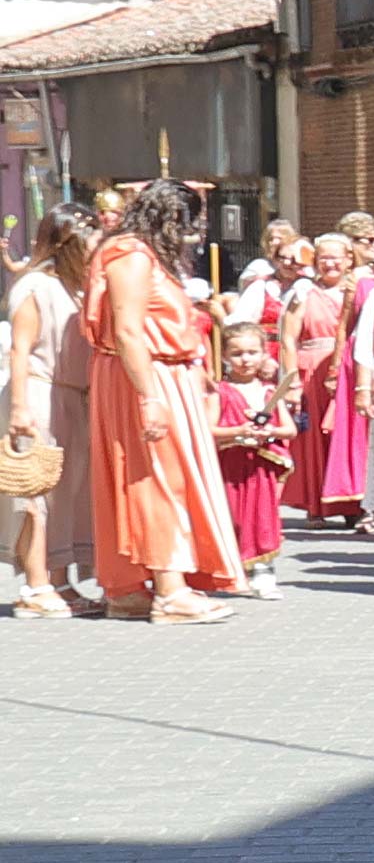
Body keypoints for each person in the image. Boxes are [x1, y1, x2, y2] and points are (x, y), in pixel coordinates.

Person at [83, 182, 244, 621]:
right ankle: (171, 589)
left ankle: (130, 587)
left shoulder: (137, 253)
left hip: (153, 372)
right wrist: (150, 397)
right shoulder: (132, 257)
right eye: (192, 220)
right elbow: (128, 330)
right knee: (157, 475)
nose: (196, 230)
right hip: (144, 375)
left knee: (148, 474)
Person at [4, 212, 90, 617]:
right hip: (38, 392)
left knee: (65, 494)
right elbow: (20, 348)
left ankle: (59, 578)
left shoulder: (75, 289)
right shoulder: (36, 285)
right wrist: (20, 407)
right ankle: (35, 586)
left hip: (71, 396)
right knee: (34, 493)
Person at [285, 226, 367, 532]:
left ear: (348, 259)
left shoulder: (359, 289)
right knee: (313, 441)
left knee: (345, 437)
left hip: (347, 369)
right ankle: (315, 506)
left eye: (335, 258)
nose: (329, 264)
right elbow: (288, 338)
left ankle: (351, 505)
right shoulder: (304, 292)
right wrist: (292, 380)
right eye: (323, 258)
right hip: (311, 370)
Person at [210, 321, 289, 596]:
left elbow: (289, 429)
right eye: (237, 353)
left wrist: (270, 431)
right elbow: (208, 430)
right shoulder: (219, 391)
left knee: (263, 517)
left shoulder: (270, 391)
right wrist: (238, 431)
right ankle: (233, 571)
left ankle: (264, 571)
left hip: (260, 468)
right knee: (233, 516)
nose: (245, 359)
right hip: (231, 465)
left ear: (264, 353)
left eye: (252, 352)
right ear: (224, 356)